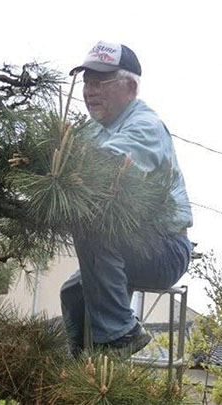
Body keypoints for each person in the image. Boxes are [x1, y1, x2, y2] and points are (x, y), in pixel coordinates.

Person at [60, 41, 193, 358]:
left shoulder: (144, 126)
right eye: (87, 83)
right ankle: (83, 370)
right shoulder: (93, 131)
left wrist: (60, 167)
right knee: (74, 291)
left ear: (130, 87)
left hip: (164, 249)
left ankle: (121, 334)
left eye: (100, 83)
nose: (90, 92)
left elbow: (104, 165)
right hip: (130, 244)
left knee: (92, 223)